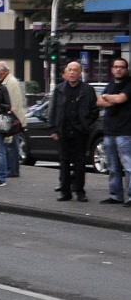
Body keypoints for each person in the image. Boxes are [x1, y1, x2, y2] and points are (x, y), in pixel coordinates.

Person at [47, 61, 99, 202]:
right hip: (63, 130)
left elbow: (94, 111)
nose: (72, 73)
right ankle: (65, 191)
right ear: (66, 72)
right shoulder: (59, 89)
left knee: (80, 163)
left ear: (80, 73)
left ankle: (79, 191)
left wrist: (86, 125)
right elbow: (52, 110)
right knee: (64, 162)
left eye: (75, 70)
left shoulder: (87, 90)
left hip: (80, 131)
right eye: (70, 70)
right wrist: (52, 128)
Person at [96, 57, 131, 206]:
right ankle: (116, 195)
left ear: (126, 69)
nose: (118, 69)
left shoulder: (129, 83)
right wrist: (109, 98)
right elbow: (99, 102)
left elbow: (120, 99)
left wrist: (107, 98)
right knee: (113, 167)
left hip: (125, 131)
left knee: (129, 166)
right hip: (109, 131)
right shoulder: (110, 85)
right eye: (116, 66)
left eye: (121, 67)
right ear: (111, 69)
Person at [0, 61, 26, 178]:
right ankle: (9, 169)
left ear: (2, 71)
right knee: (8, 145)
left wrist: (12, 119)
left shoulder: (11, 82)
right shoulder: (5, 82)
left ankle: (13, 170)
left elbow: (15, 103)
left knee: (11, 145)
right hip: (7, 117)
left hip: (11, 119)